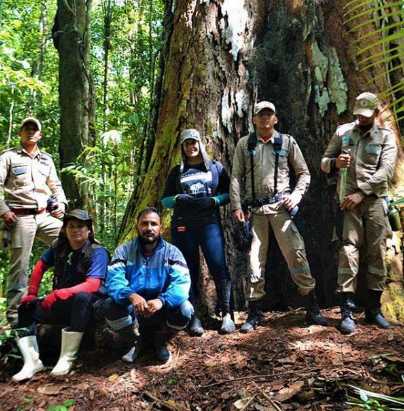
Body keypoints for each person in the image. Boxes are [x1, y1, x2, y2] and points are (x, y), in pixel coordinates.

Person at [229, 101, 327, 333]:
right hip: (256, 212)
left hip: (282, 209)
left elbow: (303, 173)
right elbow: (235, 176)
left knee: (296, 255)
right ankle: (254, 313)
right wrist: (236, 206)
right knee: (254, 261)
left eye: (269, 114)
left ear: (275, 119)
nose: (265, 118)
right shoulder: (245, 144)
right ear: (253, 119)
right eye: (260, 115)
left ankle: (311, 307)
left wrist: (296, 196)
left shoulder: (287, 142)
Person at [320, 92, 398, 334]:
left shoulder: (385, 137)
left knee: (377, 251)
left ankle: (374, 308)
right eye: (358, 115)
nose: (361, 119)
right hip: (347, 203)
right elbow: (324, 161)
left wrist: (361, 193)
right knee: (348, 252)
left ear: (375, 114)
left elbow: (386, 170)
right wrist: (335, 164)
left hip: (373, 202)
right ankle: (347, 310)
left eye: (366, 115)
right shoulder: (343, 132)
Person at [0, 117, 68, 327]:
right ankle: (16, 317)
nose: (31, 132)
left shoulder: (46, 159)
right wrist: (3, 210)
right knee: (20, 267)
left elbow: (56, 185)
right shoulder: (9, 157)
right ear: (21, 133)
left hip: (44, 215)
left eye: (35, 129)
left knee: (70, 240)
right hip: (20, 217)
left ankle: (67, 300)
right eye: (27, 128)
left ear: (40, 135)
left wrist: (61, 203)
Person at [12, 209, 109, 381]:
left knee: (83, 298)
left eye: (80, 226)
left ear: (89, 230)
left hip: (89, 309)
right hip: (63, 304)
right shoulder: (59, 246)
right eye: (71, 226)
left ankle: (67, 358)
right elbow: (40, 266)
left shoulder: (97, 251)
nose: (75, 230)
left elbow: (92, 285)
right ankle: (32, 361)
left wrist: (58, 294)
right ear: (64, 229)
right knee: (25, 309)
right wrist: (32, 293)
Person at [160, 129, 234, 335]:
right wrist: (176, 199)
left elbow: (229, 193)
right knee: (187, 269)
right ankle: (193, 318)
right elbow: (164, 201)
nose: (191, 147)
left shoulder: (215, 167)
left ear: (200, 144)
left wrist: (214, 200)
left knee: (218, 266)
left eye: (194, 143)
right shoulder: (177, 171)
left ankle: (227, 314)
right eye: (187, 144)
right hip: (183, 225)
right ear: (182, 147)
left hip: (209, 222)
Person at [96, 207, 192, 363]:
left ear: (160, 227)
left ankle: (161, 341)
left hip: (161, 310)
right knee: (109, 305)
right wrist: (130, 295)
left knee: (185, 309)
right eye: (144, 224)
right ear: (137, 226)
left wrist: (162, 300)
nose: (149, 228)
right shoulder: (124, 251)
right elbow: (113, 280)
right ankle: (134, 340)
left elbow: (181, 284)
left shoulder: (173, 253)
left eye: (153, 224)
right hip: (132, 309)